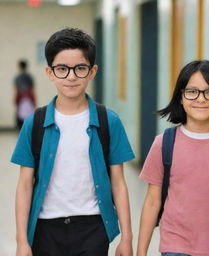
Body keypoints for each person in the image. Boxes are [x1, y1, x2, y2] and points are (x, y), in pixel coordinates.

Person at [11, 28, 135, 256]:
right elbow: (25, 185)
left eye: (80, 68)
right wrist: (21, 241)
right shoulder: (35, 123)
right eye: (62, 69)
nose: (71, 76)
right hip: (45, 227)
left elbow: (118, 183)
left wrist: (127, 238)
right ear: (49, 72)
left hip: (94, 226)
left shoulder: (108, 121)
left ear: (92, 71)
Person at [136, 60, 209, 256]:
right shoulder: (164, 143)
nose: (201, 99)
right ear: (181, 98)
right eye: (192, 91)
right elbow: (152, 201)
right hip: (176, 247)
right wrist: (141, 251)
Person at [14, 60, 36, 130]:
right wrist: (33, 100)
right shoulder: (29, 77)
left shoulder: (18, 78)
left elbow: (17, 90)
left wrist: (16, 100)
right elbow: (32, 90)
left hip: (21, 98)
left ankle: (21, 132)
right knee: (29, 118)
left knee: (21, 118)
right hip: (28, 98)